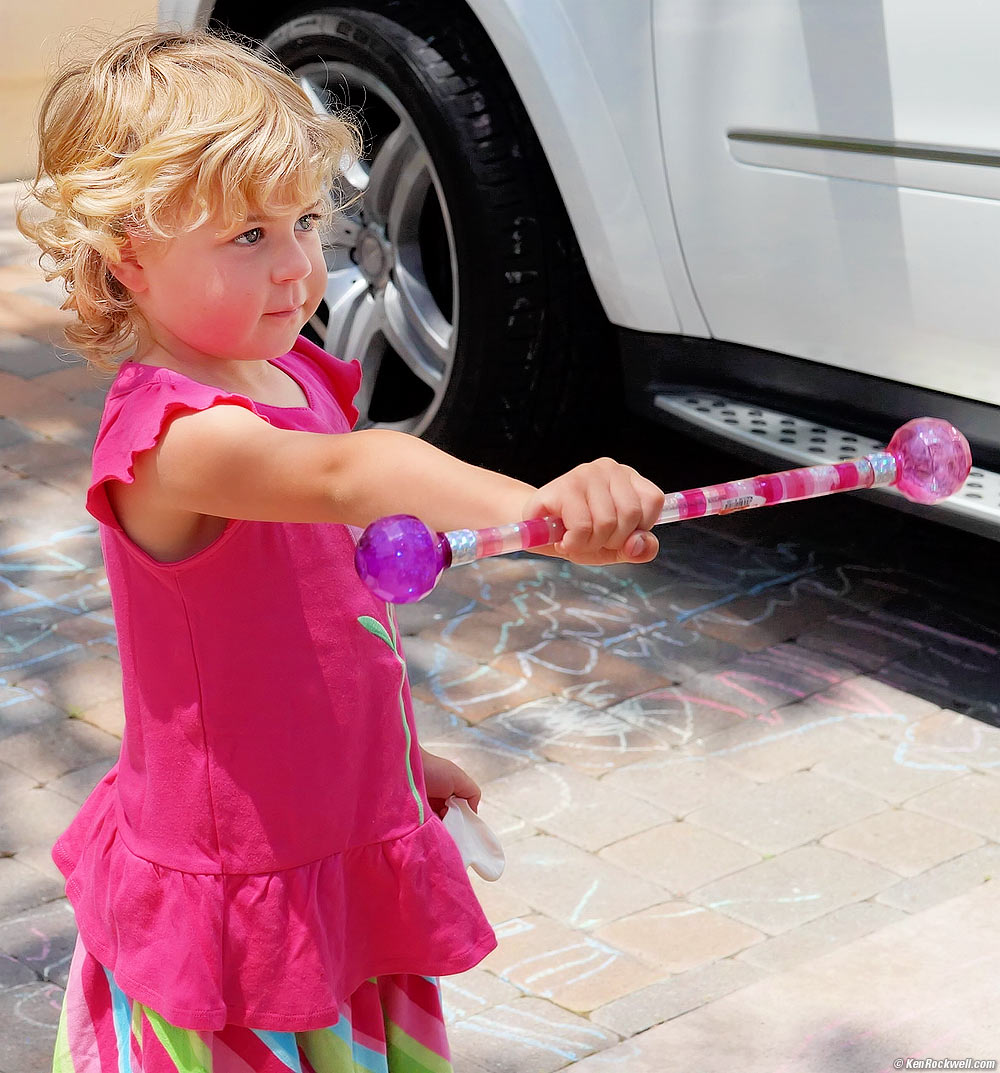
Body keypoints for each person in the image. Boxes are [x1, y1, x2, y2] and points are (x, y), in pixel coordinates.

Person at [19, 26, 666, 1073]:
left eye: (305, 221)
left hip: (334, 848)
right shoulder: (175, 441)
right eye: (246, 237)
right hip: (239, 899)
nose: (296, 266)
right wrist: (544, 509)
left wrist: (397, 769)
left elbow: (325, 630)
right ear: (130, 255)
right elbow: (352, 476)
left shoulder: (293, 377)